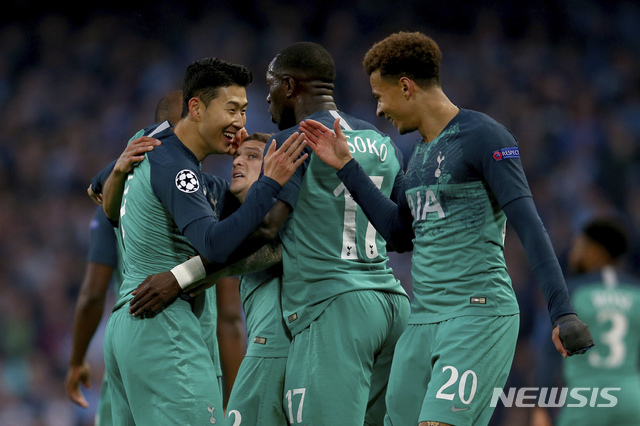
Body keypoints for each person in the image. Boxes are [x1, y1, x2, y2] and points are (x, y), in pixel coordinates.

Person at [298, 31, 594, 426]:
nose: (380, 109)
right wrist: (347, 168)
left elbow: (529, 225)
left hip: (476, 314)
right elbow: (399, 235)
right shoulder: (418, 155)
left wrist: (563, 313)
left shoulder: (484, 137)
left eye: (379, 95)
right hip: (422, 323)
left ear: (405, 87)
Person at [129, 42, 411, 426]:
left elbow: (266, 231)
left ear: (290, 86)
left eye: (270, 85)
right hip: (392, 303)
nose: (266, 99)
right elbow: (401, 234)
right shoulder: (381, 141)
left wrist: (183, 275)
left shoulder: (295, 141)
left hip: (334, 308)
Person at [91, 57, 307, 425]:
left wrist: (114, 172)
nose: (240, 122)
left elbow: (99, 190)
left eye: (244, 111)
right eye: (232, 110)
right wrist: (270, 182)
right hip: (163, 326)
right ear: (195, 108)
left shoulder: (151, 141)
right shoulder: (180, 172)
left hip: (128, 326)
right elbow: (218, 246)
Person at [65, 93, 184, 424]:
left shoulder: (113, 202)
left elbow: (93, 293)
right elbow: (228, 314)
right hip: (183, 353)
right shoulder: (198, 193)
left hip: (128, 349)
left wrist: (77, 361)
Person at [532, 218, 640, 426]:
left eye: (578, 246)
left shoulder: (572, 292)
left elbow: (550, 354)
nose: (573, 254)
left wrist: (540, 406)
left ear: (595, 252)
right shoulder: (636, 293)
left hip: (587, 399)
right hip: (632, 398)